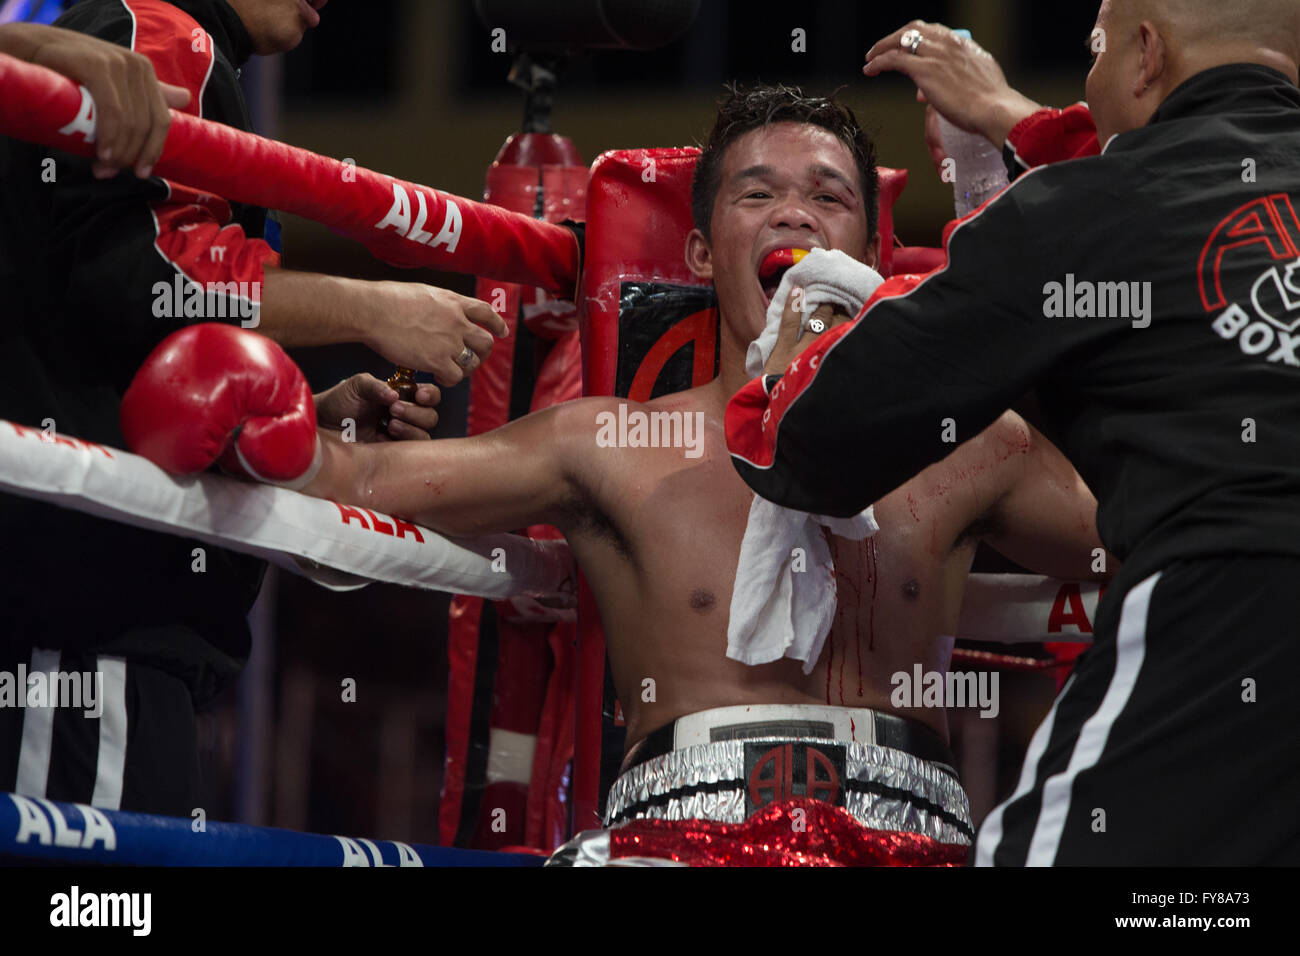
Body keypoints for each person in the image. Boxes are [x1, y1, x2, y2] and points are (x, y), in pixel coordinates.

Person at [132, 82, 1109, 861]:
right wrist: (295, 411)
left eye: (827, 194)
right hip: (677, 837)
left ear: (870, 246)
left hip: (913, 835)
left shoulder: (970, 441)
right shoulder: (607, 444)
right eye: (756, 193)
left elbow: (1158, 526)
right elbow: (347, 489)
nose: (793, 216)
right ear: (699, 246)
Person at [727, 1, 1300, 864]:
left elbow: (811, 442)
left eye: (1094, 50)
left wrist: (795, 350)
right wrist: (1008, 120)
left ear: (1145, 54)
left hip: (1232, 627)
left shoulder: (1089, 209)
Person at [0, 0, 464, 816]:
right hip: (85, 629)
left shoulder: (196, 57)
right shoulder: (162, 30)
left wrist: (297, 417)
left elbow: (120, 339)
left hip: (118, 641)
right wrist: (373, 307)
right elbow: (140, 280)